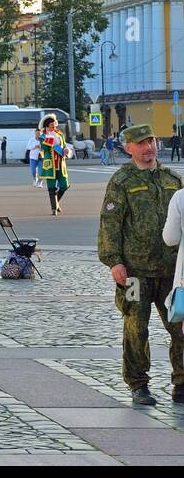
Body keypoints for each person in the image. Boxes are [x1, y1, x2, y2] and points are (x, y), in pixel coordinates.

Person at [99, 124, 184, 406]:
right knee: (136, 327)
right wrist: (114, 262)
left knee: (180, 326)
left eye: (152, 141)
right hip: (134, 272)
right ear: (129, 148)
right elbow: (110, 224)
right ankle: (138, 384)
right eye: (142, 143)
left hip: (171, 271)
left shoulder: (172, 178)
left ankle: (182, 383)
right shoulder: (122, 181)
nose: (149, 147)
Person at [38, 114, 69, 216]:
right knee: (52, 188)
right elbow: (44, 148)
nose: (54, 126)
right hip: (50, 165)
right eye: (52, 124)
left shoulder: (60, 135)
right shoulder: (42, 136)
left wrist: (65, 150)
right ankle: (54, 209)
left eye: (54, 124)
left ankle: (56, 203)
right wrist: (49, 139)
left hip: (60, 164)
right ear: (47, 125)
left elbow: (64, 146)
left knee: (64, 185)